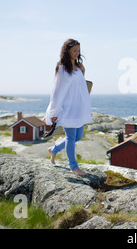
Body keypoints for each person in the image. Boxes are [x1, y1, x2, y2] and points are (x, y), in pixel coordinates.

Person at [45, 39, 91, 176]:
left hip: (78, 107)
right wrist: (54, 111)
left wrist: (83, 72)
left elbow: (80, 86)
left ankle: (53, 150)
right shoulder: (62, 68)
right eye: (74, 50)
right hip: (67, 108)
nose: (77, 53)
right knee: (71, 137)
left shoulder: (79, 67)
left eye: (78, 50)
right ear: (67, 51)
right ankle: (73, 166)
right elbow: (56, 91)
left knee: (77, 137)